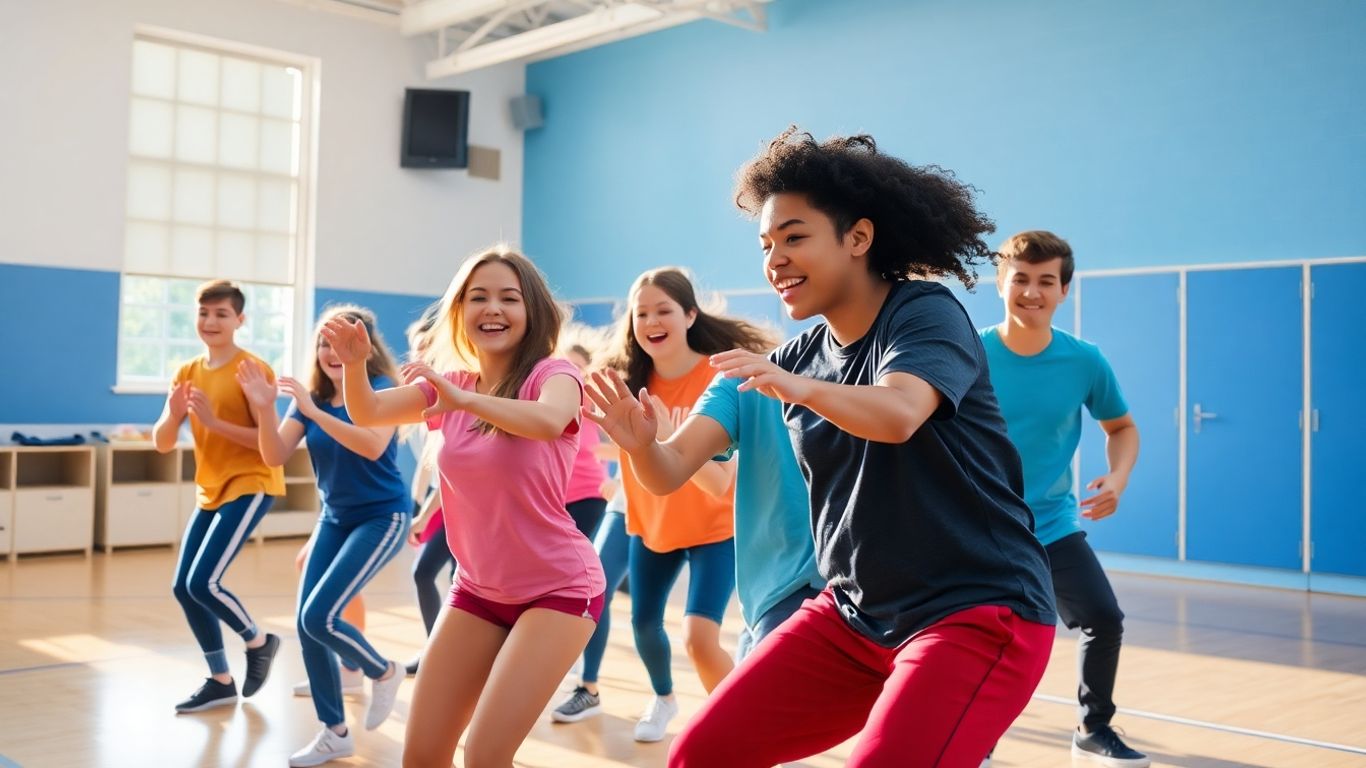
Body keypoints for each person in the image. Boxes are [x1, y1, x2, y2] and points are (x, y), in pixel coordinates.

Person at [667, 129, 1057, 767]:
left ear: (857, 238)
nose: (775, 260)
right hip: (851, 617)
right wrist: (638, 439)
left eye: (795, 237)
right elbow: (668, 468)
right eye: (767, 245)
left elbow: (900, 412)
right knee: (701, 753)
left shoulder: (923, 313)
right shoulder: (799, 355)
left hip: (975, 611)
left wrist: (799, 388)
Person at [324, 247, 606, 768]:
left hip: (560, 591)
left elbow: (547, 420)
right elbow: (368, 411)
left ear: (532, 311)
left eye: (508, 298)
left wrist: (465, 402)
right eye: (478, 297)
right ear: (459, 312)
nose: (493, 308)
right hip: (478, 590)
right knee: (423, 754)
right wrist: (357, 366)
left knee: (484, 755)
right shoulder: (449, 383)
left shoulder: (554, 373)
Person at [982, 230, 1146, 767]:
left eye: (1045, 281)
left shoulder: (1084, 361)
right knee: (980, 638)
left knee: (1105, 618)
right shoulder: (969, 354)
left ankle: (1093, 730)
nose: (1032, 291)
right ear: (1001, 283)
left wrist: (1117, 478)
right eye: (1020, 279)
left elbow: (1121, 427)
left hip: (1050, 523)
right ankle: (969, 739)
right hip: (978, 526)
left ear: (1064, 290)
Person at [153, 279, 284, 714]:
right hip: (210, 488)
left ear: (239, 320)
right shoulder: (187, 372)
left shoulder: (252, 370)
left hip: (252, 481)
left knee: (202, 582)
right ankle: (221, 680)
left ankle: (260, 641)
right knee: (183, 587)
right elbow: (163, 442)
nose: (210, 321)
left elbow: (269, 441)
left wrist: (213, 421)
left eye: (221, 314)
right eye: (204, 313)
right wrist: (173, 416)